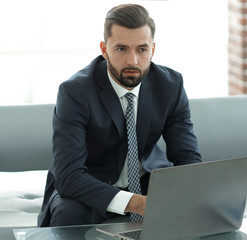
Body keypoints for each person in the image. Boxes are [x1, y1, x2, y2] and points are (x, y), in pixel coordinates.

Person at [38, 3, 202, 227]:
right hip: (89, 185)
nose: (132, 61)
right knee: (68, 213)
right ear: (104, 50)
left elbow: (187, 158)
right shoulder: (75, 92)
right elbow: (69, 176)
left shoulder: (170, 85)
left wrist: (196, 193)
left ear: (152, 50)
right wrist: (135, 203)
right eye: (121, 49)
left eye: (142, 49)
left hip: (147, 181)